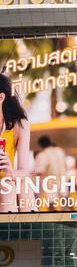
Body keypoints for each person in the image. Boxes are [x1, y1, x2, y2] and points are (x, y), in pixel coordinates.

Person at [0, 74, 34, 215]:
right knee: (8, 188)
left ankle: (30, 234)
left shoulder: (19, 125)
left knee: (22, 186)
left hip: (7, 182)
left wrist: (10, 172)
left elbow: (25, 171)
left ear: (1, 98)